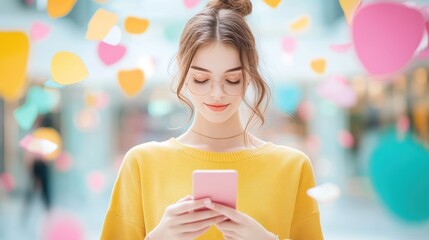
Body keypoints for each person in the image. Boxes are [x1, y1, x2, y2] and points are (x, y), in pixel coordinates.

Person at [101, 0, 323, 239]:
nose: (217, 93)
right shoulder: (142, 164)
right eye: (201, 79)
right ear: (184, 72)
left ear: (250, 73)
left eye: (232, 79)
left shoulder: (292, 167)